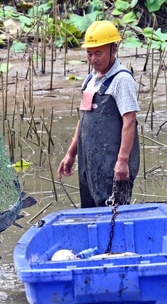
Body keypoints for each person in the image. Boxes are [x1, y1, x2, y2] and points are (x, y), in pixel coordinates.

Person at [57, 20, 140, 208]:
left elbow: (129, 123)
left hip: (112, 164)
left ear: (114, 49)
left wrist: (122, 161)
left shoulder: (122, 80)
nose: (93, 59)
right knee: (90, 210)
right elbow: (84, 120)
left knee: (113, 214)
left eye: (98, 53)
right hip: (90, 164)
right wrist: (71, 154)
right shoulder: (90, 80)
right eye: (89, 53)